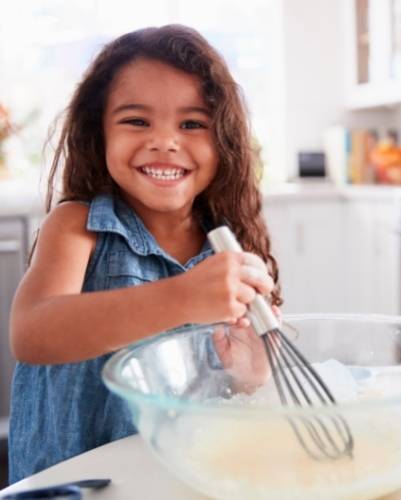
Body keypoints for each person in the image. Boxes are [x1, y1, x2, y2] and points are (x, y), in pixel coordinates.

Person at [8, 24, 282, 483]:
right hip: (75, 483)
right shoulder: (79, 225)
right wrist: (184, 297)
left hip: (177, 478)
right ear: (100, 134)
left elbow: (229, 391)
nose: (165, 141)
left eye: (192, 124)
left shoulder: (228, 245)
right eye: (137, 121)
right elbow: (32, 332)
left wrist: (249, 375)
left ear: (223, 142)